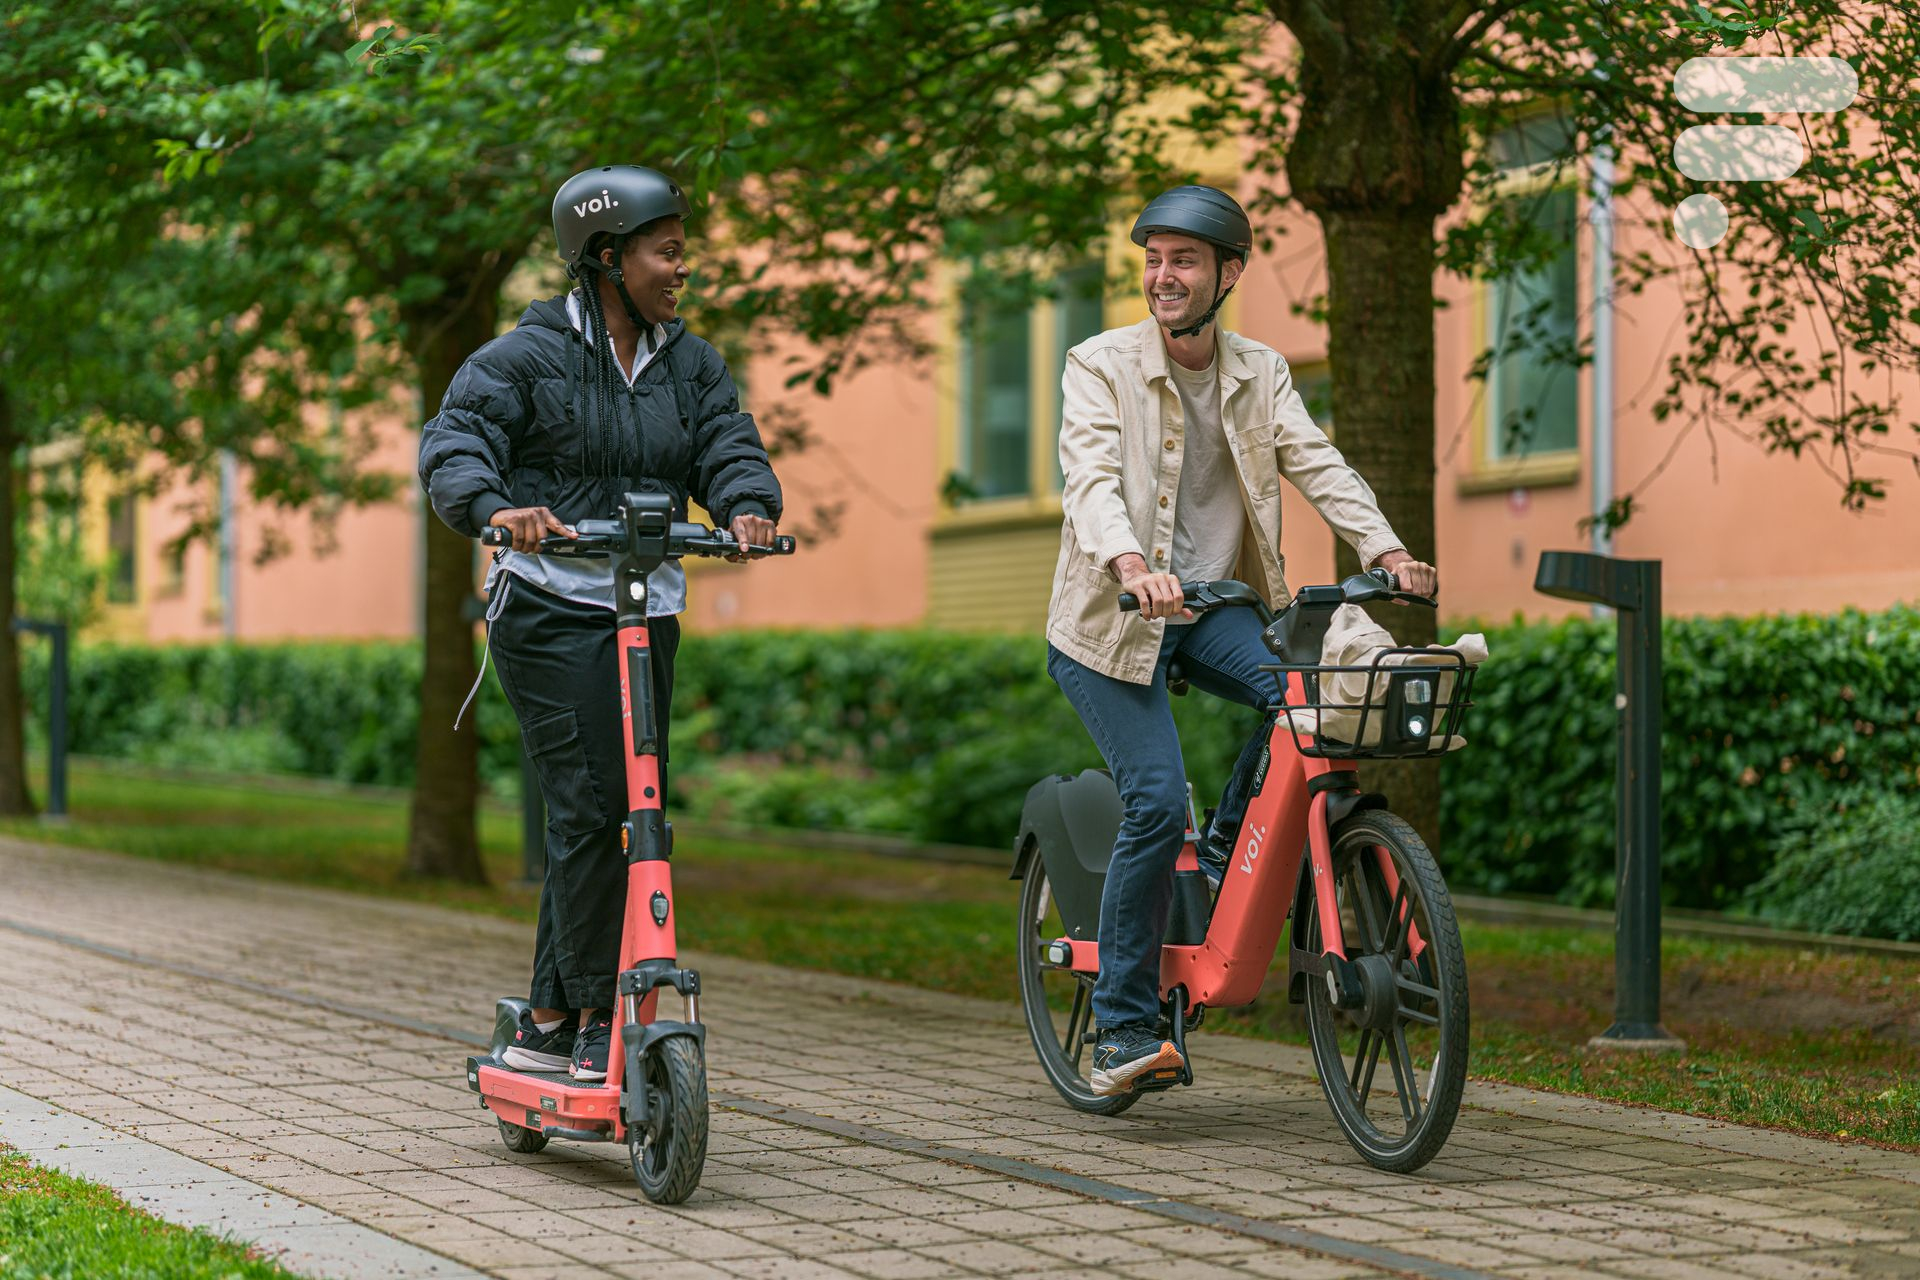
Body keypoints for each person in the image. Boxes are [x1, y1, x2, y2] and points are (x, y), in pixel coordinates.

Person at [1045, 185, 1438, 1096]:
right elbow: (1090, 476)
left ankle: (1224, 849)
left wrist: (1384, 545)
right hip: (1112, 622)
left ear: (1228, 273)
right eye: (1153, 259)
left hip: (1214, 606)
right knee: (1148, 799)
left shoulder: (1259, 371)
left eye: (1183, 261)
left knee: (1305, 700)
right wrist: (1130, 560)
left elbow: (1316, 460)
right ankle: (1123, 1030)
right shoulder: (1098, 364)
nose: (1162, 276)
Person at [419, 165, 781, 1082]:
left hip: (642, 605)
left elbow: (725, 442)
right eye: (667, 252)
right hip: (546, 605)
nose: (681, 269)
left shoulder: (689, 362)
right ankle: (590, 1013)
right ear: (609, 258)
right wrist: (498, 509)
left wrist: (745, 506)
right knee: (593, 810)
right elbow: (456, 440)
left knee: (633, 809)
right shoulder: (524, 356)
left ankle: (546, 1014)